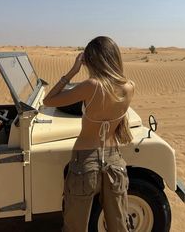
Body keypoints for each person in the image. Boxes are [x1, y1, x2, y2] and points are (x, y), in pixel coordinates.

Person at [43, 36, 135, 232]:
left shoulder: (92, 86)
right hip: (115, 162)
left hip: (85, 163)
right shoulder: (129, 87)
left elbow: (49, 100)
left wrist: (72, 71)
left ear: (92, 60)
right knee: (119, 226)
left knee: (75, 226)